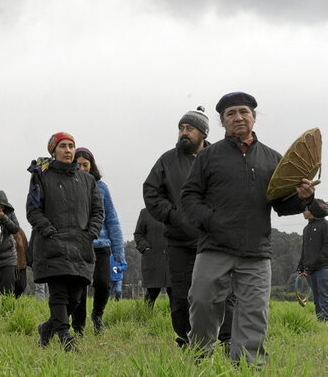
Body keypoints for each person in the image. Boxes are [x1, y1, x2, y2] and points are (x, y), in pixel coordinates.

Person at [182, 92, 314, 366]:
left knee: (254, 312)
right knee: (203, 304)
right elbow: (189, 197)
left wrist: (304, 198)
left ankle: (247, 368)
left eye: (244, 111)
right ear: (222, 122)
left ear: (254, 116)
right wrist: (212, 221)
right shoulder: (208, 157)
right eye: (231, 114)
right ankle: (199, 362)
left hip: (256, 250)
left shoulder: (273, 159)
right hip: (214, 246)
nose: (238, 117)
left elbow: (280, 203)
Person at [143, 107, 234, 348]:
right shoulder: (167, 160)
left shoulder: (219, 156)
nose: (184, 133)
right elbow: (151, 192)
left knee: (222, 294)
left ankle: (226, 340)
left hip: (216, 242)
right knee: (182, 296)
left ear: (203, 133)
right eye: (181, 128)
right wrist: (173, 215)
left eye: (190, 129)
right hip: (180, 241)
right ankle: (186, 340)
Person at [27, 132, 104, 351]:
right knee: (59, 292)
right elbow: (33, 210)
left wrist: (90, 232)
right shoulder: (41, 176)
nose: (68, 150)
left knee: (75, 296)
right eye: (63, 146)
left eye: (71, 146)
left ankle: (47, 328)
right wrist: (49, 230)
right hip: (52, 243)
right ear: (53, 150)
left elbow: (98, 210)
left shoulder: (88, 180)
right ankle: (65, 337)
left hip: (81, 244)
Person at [71, 147, 124, 335]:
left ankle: (97, 314)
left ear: (91, 166)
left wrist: (119, 253)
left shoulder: (101, 188)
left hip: (102, 245)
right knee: (80, 287)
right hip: (78, 244)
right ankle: (78, 328)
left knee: (103, 283)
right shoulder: (69, 186)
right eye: (78, 165)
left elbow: (112, 219)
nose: (82, 168)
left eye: (86, 165)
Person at [134, 208, 171, 308]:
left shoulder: (176, 210)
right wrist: (145, 248)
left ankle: (179, 321)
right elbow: (138, 234)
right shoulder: (145, 212)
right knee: (152, 292)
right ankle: (145, 317)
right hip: (153, 259)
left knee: (175, 293)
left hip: (173, 259)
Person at [296, 204, 328, 321]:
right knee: (317, 298)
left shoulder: (325, 225)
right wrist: (301, 265)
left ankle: (325, 322)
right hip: (310, 270)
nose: (303, 212)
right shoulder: (306, 229)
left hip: (323, 268)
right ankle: (320, 321)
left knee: (324, 296)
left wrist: (318, 260)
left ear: (313, 211)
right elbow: (304, 249)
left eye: (306, 210)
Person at [13, 228, 29, 298]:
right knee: (11, 286)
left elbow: (25, 245)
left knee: (22, 285)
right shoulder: (3, 230)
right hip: (9, 264)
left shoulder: (19, 231)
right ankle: (9, 303)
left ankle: (15, 299)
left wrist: (28, 260)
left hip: (21, 264)